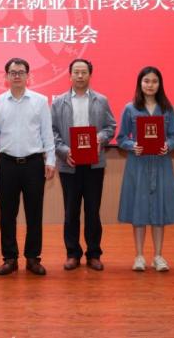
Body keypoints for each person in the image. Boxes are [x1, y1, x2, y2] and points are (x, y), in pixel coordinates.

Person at [0, 58, 55, 276]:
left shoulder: (40, 101)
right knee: (7, 214)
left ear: (28, 76)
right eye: (13, 72)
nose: (17, 76)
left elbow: (47, 134)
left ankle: (33, 258)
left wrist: (50, 160)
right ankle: (10, 258)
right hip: (6, 164)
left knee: (34, 213)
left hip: (33, 163)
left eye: (21, 72)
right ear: (6, 76)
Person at [117, 66, 174, 272]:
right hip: (138, 164)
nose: (150, 85)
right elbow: (121, 138)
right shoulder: (130, 109)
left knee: (159, 209)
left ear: (159, 84)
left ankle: (158, 255)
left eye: (154, 81)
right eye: (146, 81)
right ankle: (139, 256)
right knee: (138, 209)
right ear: (140, 83)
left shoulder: (167, 109)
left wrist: (168, 145)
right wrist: (132, 145)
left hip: (161, 163)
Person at [51, 59, 116, 271]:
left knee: (92, 211)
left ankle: (94, 254)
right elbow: (52, 132)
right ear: (70, 75)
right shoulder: (58, 102)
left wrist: (100, 139)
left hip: (94, 164)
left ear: (90, 75)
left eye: (84, 72)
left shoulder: (101, 100)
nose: (80, 76)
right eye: (76, 72)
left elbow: (111, 127)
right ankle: (72, 254)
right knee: (71, 212)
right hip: (69, 164)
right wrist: (64, 151)